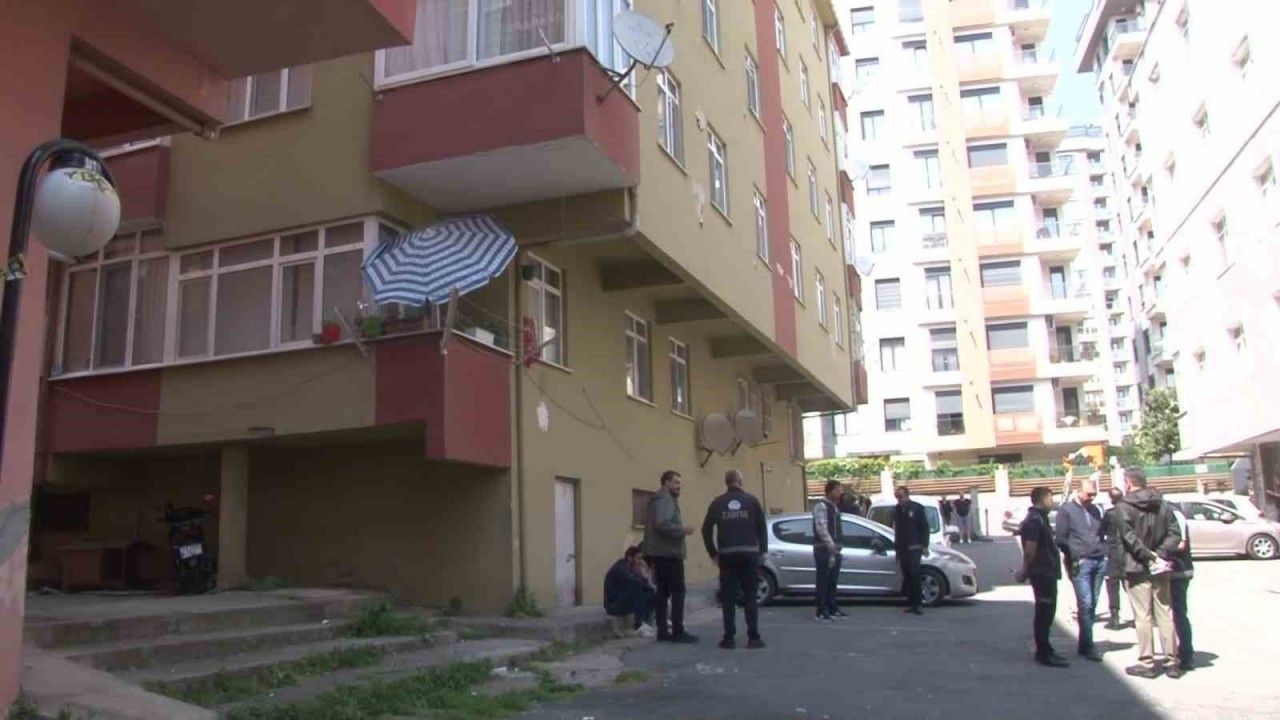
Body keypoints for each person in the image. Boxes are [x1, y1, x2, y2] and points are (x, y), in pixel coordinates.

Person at [1114, 468, 1182, 679]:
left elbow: (1128, 537)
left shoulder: (1124, 506)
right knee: (1165, 612)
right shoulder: (1162, 504)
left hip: (1136, 566)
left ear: (1128, 483)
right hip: (1160, 566)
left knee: (1142, 616)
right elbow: (1175, 533)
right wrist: (1159, 555)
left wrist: (1149, 556)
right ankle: (1172, 661)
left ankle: (1147, 662)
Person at [702, 469, 769, 650]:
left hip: (727, 555)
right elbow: (762, 528)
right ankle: (753, 638)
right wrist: (762, 552)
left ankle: (729, 638)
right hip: (749, 554)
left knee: (728, 598)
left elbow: (706, 529)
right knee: (750, 597)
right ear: (740, 480)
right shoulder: (752, 501)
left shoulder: (717, 503)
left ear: (726, 482)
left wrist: (713, 553)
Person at [641, 470, 699, 643]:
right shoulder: (665, 499)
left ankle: (663, 631)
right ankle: (677, 631)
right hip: (669, 553)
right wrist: (683, 530)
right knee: (677, 591)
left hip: (661, 552)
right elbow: (662, 524)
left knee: (663, 591)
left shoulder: (661, 499)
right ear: (666, 483)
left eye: (679, 483)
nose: (679, 486)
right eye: (676, 482)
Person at [1016, 487, 1069, 667]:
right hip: (1041, 572)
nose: (1052, 502)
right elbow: (1030, 550)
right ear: (1043, 499)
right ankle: (1043, 652)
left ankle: (1046, 648)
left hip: (1047, 571)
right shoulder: (1034, 520)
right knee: (1044, 612)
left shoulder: (1040, 518)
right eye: (1050, 498)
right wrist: (1024, 571)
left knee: (1048, 611)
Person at [1055, 480, 1106, 662]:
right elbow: (1060, 538)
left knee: (1093, 602)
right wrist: (1074, 554)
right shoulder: (1066, 510)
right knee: (1086, 603)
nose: (1091, 497)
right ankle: (1088, 645)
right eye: (1088, 494)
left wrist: (1104, 551)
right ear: (1078, 491)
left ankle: (1084, 644)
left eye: (1094, 494)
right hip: (1081, 562)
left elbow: (1100, 533)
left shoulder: (1095, 510)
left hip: (1099, 561)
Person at [891, 485, 931, 615]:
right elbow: (897, 529)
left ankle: (918, 604)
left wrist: (925, 545)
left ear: (907, 495)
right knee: (907, 575)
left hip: (914, 547)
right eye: (897, 496)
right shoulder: (897, 509)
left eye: (900, 496)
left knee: (914, 575)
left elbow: (924, 528)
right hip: (902, 548)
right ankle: (911, 603)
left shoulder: (917, 508)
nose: (899, 499)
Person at [604, 546, 656, 638]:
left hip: (623, 599)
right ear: (630, 558)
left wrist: (644, 576)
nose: (640, 561)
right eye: (638, 558)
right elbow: (634, 583)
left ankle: (646, 623)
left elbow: (642, 583)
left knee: (650, 593)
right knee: (639, 591)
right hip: (613, 604)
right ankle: (639, 625)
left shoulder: (630, 567)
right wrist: (644, 579)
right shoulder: (621, 568)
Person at [812, 480, 846, 621]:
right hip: (823, 549)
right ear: (830, 491)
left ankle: (832, 607)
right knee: (824, 580)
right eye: (838, 490)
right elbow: (821, 527)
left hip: (834, 549)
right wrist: (830, 544)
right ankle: (821, 610)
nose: (841, 493)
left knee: (832, 580)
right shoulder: (821, 506)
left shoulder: (834, 507)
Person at [1168, 504, 1196, 671]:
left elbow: (1180, 544)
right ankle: (1181, 653)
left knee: (1178, 614)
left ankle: (1185, 654)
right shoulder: (1173, 512)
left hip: (1179, 571)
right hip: (1178, 570)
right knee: (1176, 614)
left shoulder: (1174, 514)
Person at [1101, 487, 1127, 630]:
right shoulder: (1129, 511)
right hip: (1127, 550)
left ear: (1111, 499)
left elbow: (1101, 531)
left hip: (1112, 551)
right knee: (1131, 585)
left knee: (1112, 586)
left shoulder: (1109, 514)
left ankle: (1115, 617)